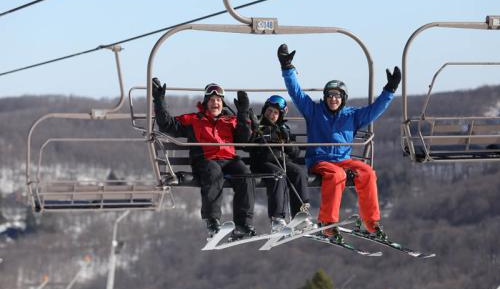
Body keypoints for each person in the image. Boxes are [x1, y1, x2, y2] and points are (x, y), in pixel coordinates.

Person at [276, 43, 401, 244]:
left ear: (343, 99)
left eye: (337, 96)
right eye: (329, 95)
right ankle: (327, 223)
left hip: (343, 159)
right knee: (337, 175)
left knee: (367, 172)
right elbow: (296, 93)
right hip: (320, 160)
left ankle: (371, 221)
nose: (333, 99)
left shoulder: (352, 115)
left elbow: (375, 110)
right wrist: (287, 68)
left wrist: (390, 89)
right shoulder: (314, 111)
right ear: (324, 97)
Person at [152, 79, 256, 240]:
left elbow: (244, 139)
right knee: (214, 174)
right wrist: (159, 101)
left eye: (219, 100)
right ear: (206, 102)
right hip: (205, 159)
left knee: (245, 175)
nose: (216, 103)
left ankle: (243, 223)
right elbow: (167, 125)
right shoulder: (194, 119)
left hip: (229, 159)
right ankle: (212, 221)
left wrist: (243, 113)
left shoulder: (230, 121)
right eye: (213, 100)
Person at [248, 95, 314, 233]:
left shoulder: (284, 128)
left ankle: (300, 216)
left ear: (280, 115)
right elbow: (247, 143)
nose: (271, 115)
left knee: (299, 172)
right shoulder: (257, 124)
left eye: (275, 113)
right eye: (269, 111)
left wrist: (288, 143)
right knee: (279, 175)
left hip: (282, 161)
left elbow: (295, 153)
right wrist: (255, 132)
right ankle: (277, 218)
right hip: (263, 162)